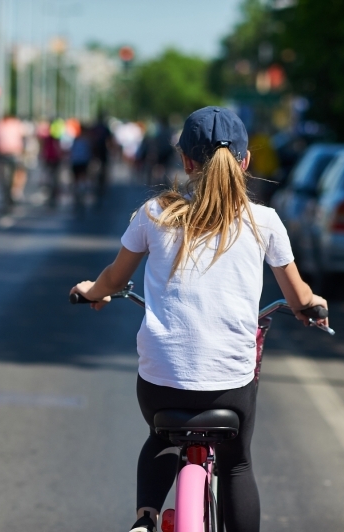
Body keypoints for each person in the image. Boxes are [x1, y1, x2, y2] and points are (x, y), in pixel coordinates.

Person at [69, 106, 328, 532]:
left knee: (160, 435)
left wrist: (92, 292)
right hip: (229, 387)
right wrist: (311, 304)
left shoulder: (156, 213)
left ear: (186, 161)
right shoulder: (264, 221)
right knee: (237, 463)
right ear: (244, 162)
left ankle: (144, 520)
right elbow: (297, 296)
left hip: (161, 382)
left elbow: (114, 278)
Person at [0, 114, 27, 209]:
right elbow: (23, 137)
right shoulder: (17, 124)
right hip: (14, 152)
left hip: (1, 153)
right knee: (20, 171)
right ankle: (17, 190)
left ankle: (0, 183)